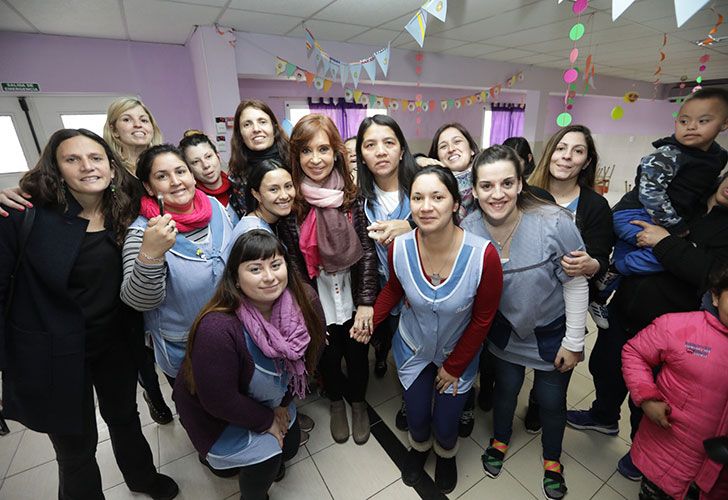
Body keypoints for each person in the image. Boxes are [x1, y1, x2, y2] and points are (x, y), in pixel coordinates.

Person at [0, 129, 178, 500]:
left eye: (95, 158)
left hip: (114, 343)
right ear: (56, 168)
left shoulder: (126, 210)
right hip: (56, 353)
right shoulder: (25, 215)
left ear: (111, 168)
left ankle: (142, 478)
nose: (86, 167)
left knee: (125, 418)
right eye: (72, 159)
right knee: (76, 446)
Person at [567, 172, 728, 482]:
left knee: (654, 392)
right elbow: (630, 222)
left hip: (675, 324)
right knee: (605, 366)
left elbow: (711, 273)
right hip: (626, 305)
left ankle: (642, 450)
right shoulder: (686, 197)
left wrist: (663, 242)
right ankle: (603, 415)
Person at [352, 165, 502, 493]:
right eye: (417, 197)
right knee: (417, 417)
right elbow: (394, 287)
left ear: (455, 204)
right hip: (413, 345)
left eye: (437, 196)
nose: (426, 206)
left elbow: (482, 319)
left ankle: (446, 455)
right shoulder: (400, 246)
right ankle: (419, 448)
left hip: (457, 352)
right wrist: (370, 320)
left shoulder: (483, 256)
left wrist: (454, 366)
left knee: (447, 426)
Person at [462, 145, 588, 500]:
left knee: (551, 402)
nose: (497, 194)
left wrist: (574, 341)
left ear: (520, 184)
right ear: (474, 190)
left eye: (506, 183)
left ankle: (552, 460)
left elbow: (577, 282)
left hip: (552, 333)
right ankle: (499, 440)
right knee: (505, 393)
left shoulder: (555, 222)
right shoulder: (468, 229)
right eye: (486, 186)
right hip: (504, 333)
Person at [173, 230, 326, 500]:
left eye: (276, 265)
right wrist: (266, 420)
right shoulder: (218, 328)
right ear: (235, 278)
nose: (269, 277)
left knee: (287, 450)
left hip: (269, 397)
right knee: (265, 459)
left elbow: (310, 357)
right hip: (215, 414)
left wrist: (281, 405)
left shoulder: (305, 300)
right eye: (255, 269)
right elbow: (218, 400)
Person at [277, 113, 378, 446]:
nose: (316, 159)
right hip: (318, 300)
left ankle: (359, 404)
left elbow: (365, 252)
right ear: (296, 157)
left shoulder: (352, 198)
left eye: (323, 149)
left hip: (351, 297)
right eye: (306, 151)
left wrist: (365, 303)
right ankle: (337, 402)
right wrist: (308, 309)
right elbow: (292, 262)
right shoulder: (292, 204)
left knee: (358, 356)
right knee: (328, 358)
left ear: (336, 151)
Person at [600, 88, 728, 317]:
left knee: (629, 254)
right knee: (660, 256)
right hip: (634, 213)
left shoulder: (717, 157)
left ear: (724, 124)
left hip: (653, 217)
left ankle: (598, 296)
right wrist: (675, 227)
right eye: (684, 120)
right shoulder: (669, 154)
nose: (691, 126)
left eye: (703, 120)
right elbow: (651, 193)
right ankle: (614, 269)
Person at [120, 144, 234, 384]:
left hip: (234, 336)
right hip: (186, 350)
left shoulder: (216, 208)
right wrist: (151, 254)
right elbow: (138, 301)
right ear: (149, 188)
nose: (175, 181)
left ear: (192, 176)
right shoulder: (143, 234)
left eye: (181, 171)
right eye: (162, 176)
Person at [526, 125, 614, 432]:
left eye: (577, 151)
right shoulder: (525, 193)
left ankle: (538, 403)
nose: (567, 157)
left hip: (565, 309)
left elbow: (602, 260)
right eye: (562, 148)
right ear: (550, 151)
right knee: (509, 367)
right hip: (520, 301)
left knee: (553, 372)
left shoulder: (595, 206)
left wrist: (591, 264)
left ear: (586, 162)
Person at [228, 158, 317, 446]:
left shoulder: (272, 222)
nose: (284, 195)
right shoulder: (252, 232)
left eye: (288, 186)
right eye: (273, 189)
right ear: (255, 194)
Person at [621, 262, 728, 500]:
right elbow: (635, 353)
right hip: (668, 452)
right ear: (716, 296)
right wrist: (647, 398)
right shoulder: (678, 326)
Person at [356, 115, 418, 380]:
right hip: (383, 289)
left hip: (420, 290)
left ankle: (411, 398)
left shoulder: (422, 186)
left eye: (389, 143)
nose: (380, 151)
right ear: (361, 154)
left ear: (402, 149)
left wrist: (413, 226)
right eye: (370, 145)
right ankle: (382, 356)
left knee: (415, 347)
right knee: (386, 337)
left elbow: (453, 223)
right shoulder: (358, 199)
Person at [228, 100, 290, 218]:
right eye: (247, 124)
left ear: (274, 126)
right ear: (240, 133)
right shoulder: (236, 175)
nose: (256, 129)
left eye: (262, 122)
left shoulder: (294, 161)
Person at [179, 131, 238, 223]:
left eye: (208, 156)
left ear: (217, 156)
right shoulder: (189, 201)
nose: (205, 165)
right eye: (195, 162)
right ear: (188, 169)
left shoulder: (239, 187)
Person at [427, 122, 480, 220]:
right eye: (443, 146)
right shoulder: (430, 184)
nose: (451, 149)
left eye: (457, 141)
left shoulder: (487, 177)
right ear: (437, 158)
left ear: (471, 149)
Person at [104, 96, 164, 175]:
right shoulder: (109, 169)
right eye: (127, 120)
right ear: (114, 130)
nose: (138, 125)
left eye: (144, 120)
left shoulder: (166, 164)